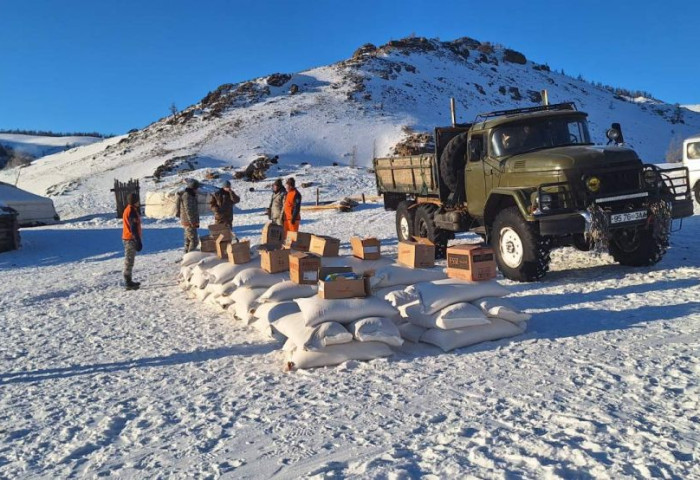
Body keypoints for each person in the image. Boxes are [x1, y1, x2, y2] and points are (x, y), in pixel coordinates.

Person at [122, 192, 142, 291]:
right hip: (130, 238)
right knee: (129, 260)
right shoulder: (131, 211)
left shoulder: (129, 209)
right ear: (134, 201)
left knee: (130, 260)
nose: (139, 202)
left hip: (128, 238)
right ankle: (127, 281)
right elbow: (133, 227)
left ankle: (128, 280)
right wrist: (137, 240)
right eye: (138, 200)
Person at [178, 178, 200, 252]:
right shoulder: (188, 196)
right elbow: (189, 210)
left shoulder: (191, 195)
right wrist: (193, 222)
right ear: (193, 188)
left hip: (188, 221)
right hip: (189, 222)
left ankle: (186, 257)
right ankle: (190, 257)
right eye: (196, 188)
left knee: (188, 240)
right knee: (194, 241)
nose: (197, 190)